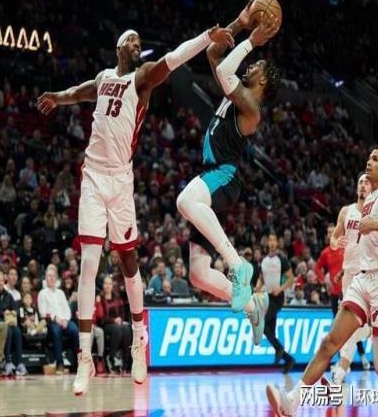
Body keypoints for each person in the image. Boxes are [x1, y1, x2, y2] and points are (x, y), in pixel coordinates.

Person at [38, 23, 234, 395]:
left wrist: (207, 38)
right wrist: (57, 98)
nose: (136, 44)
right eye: (130, 40)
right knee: (89, 263)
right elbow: (79, 92)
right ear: (118, 48)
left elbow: (173, 58)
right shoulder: (103, 78)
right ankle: (84, 358)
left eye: (139, 42)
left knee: (129, 263)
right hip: (93, 176)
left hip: (120, 181)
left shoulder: (141, 79)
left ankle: (138, 341)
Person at [267, 145, 378, 417]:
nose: (369, 161)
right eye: (368, 157)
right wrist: (338, 245)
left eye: (375, 159)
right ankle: (292, 402)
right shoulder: (366, 201)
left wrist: (374, 225)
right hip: (361, 280)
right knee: (329, 343)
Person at [176, 1, 280, 345]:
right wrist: (239, 22)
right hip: (213, 179)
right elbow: (214, 54)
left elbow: (223, 70)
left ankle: (238, 266)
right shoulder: (236, 91)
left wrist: (251, 41)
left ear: (262, 79)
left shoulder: (252, 107)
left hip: (224, 175)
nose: (251, 64)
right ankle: (254, 306)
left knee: (184, 200)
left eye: (257, 65)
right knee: (198, 274)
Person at [328, 173, 372, 385]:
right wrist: (335, 242)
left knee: (359, 326)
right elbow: (334, 237)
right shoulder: (346, 211)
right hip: (349, 275)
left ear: (372, 188)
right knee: (350, 325)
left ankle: (341, 369)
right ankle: (341, 370)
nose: (362, 185)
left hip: (368, 274)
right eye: (360, 182)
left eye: (366, 182)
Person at [256, 233, 295, 372]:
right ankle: (288, 359)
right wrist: (257, 289)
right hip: (267, 297)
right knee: (269, 333)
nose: (272, 242)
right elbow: (261, 278)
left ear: (277, 243)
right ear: (267, 243)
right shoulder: (264, 261)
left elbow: (291, 279)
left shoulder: (281, 260)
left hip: (277, 298)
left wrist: (281, 288)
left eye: (274, 240)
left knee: (262, 324)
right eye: (270, 240)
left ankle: (279, 349)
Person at [38, 266, 79, 374]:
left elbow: (67, 309)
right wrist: (55, 318)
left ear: (56, 278)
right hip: (51, 321)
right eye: (49, 276)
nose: (51, 278)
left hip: (65, 320)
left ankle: (77, 363)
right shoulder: (42, 293)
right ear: (45, 278)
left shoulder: (60, 293)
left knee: (75, 330)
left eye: (53, 276)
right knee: (56, 331)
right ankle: (60, 364)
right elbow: (42, 312)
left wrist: (65, 320)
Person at [0, 271, 27, 376]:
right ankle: (7, 362)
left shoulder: (8, 295)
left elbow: (15, 308)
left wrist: (14, 311)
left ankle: (19, 363)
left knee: (17, 331)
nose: (0, 283)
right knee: (8, 330)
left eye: (2, 280)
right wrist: (3, 313)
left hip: (9, 321)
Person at [95, 276, 132, 374]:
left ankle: (125, 363)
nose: (108, 286)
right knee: (117, 329)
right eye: (106, 283)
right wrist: (114, 320)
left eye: (109, 284)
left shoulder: (117, 297)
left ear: (112, 285)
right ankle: (110, 357)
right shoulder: (100, 298)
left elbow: (122, 312)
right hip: (105, 324)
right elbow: (101, 317)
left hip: (118, 323)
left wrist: (121, 319)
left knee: (127, 329)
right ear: (103, 285)